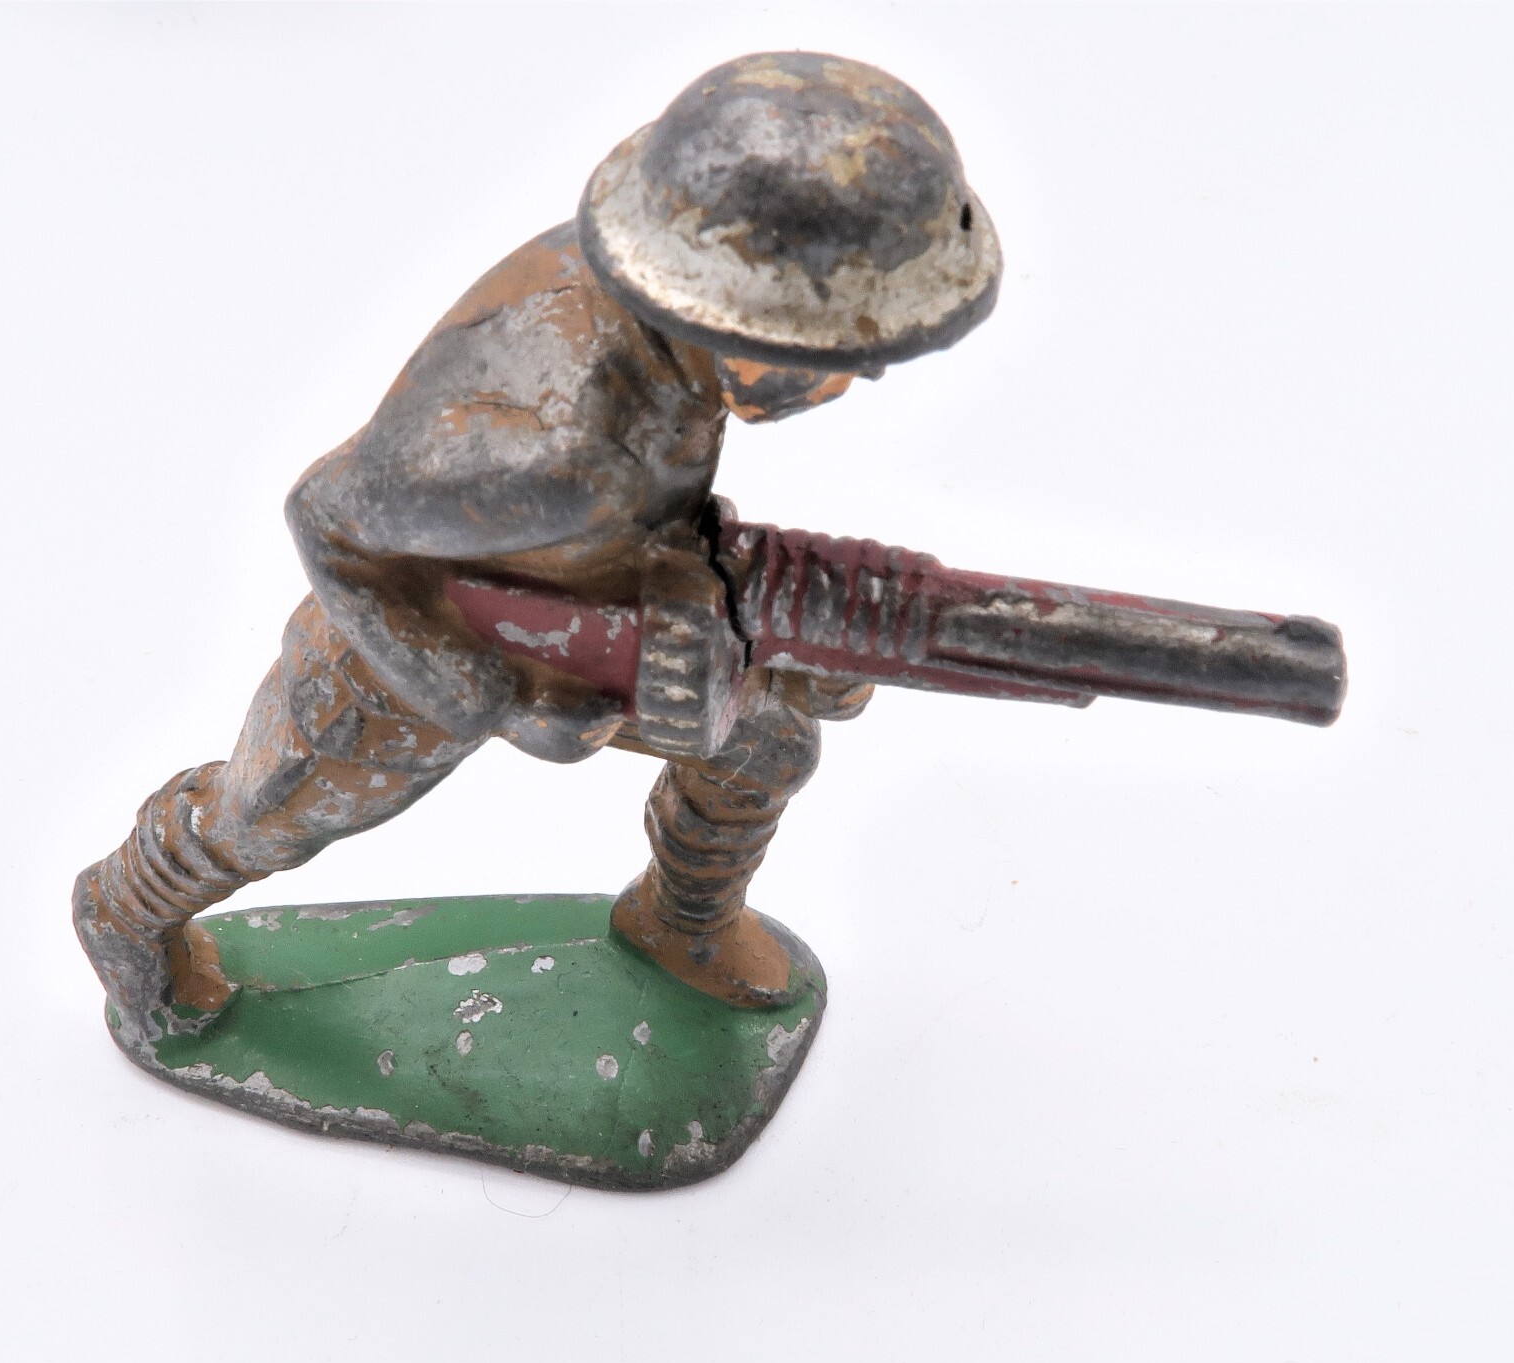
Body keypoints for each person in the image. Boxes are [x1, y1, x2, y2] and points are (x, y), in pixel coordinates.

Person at [73, 50, 1003, 1046]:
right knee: (266, 817)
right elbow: (329, 518)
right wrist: (492, 693)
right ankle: (123, 912)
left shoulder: (648, 327)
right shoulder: (561, 454)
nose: (857, 378)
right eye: (829, 357)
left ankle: (680, 923)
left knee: (766, 741)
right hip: (390, 656)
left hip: (582, 603)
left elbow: (644, 507)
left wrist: (756, 621)